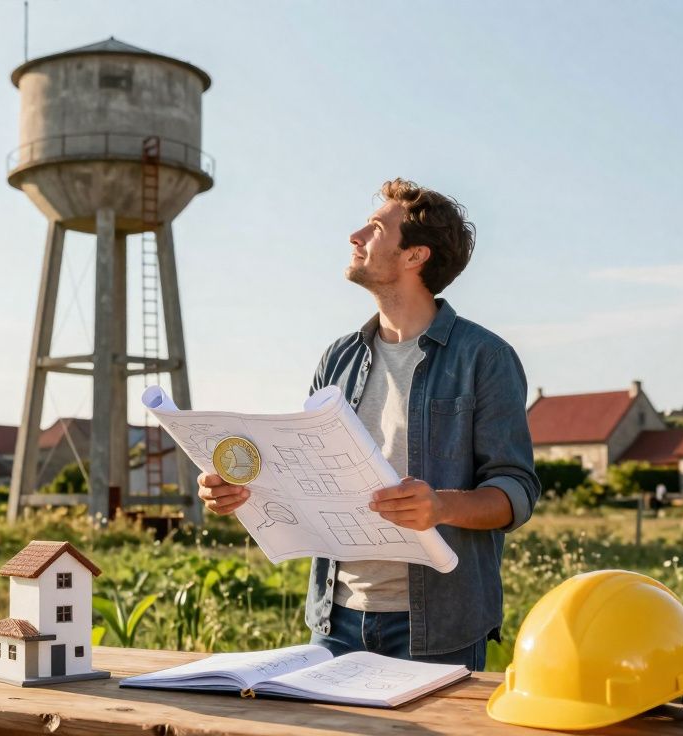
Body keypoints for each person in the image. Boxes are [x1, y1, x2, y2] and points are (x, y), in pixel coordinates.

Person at [197, 178, 540, 671]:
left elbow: (516, 490)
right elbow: (304, 475)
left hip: (439, 628)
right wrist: (239, 486)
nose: (355, 235)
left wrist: (440, 505)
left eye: (376, 227)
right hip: (334, 622)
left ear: (414, 256)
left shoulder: (485, 358)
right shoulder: (336, 359)